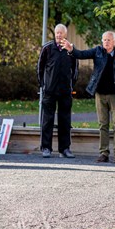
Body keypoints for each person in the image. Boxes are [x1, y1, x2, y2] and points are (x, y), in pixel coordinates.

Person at [63, 31, 115, 164]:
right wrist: (71, 49)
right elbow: (81, 54)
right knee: (103, 125)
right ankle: (104, 153)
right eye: (104, 40)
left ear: (114, 42)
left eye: (108, 40)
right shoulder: (97, 51)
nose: (106, 42)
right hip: (100, 94)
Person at [37, 23, 78, 158]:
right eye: (57, 33)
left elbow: (75, 70)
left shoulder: (70, 49)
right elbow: (40, 68)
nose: (59, 35)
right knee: (47, 120)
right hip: (49, 90)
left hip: (65, 91)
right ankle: (46, 148)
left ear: (65, 34)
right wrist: (43, 85)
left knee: (65, 120)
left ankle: (65, 149)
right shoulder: (47, 48)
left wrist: (71, 85)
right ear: (54, 34)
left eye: (61, 33)